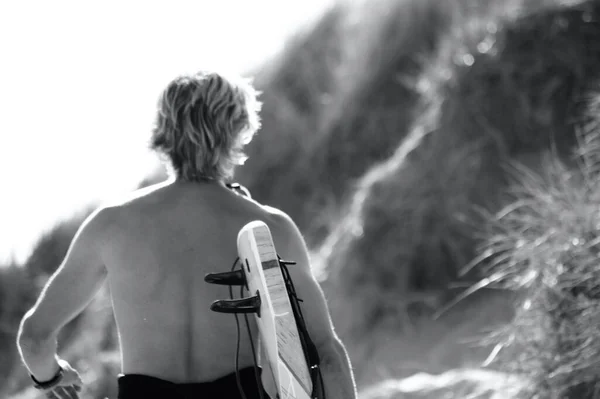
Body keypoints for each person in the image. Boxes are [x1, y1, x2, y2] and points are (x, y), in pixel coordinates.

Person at [16, 71, 357, 399]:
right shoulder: (271, 227)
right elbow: (327, 355)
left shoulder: (111, 225)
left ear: (163, 132)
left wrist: (51, 377)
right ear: (240, 129)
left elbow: (34, 337)